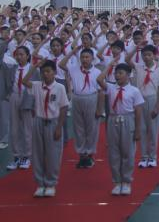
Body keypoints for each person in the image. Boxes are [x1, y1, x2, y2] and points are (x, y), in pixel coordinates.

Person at [21, 60, 69, 197]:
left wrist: (59, 127)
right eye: (43, 72)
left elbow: (64, 107)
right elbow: (24, 81)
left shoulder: (59, 87)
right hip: (39, 121)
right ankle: (40, 183)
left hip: (53, 122)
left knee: (53, 154)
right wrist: (34, 67)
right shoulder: (37, 85)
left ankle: (51, 183)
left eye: (48, 71)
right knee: (38, 154)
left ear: (54, 72)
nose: (45, 74)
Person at [96, 63, 143, 196]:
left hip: (128, 120)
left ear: (128, 75)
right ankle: (117, 181)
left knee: (128, 152)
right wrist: (109, 66)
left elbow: (138, 111)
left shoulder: (134, 91)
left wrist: (138, 129)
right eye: (116, 73)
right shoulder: (111, 88)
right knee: (114, 152)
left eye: (121, 73)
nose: (117, 76)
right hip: (113, 120)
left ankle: (126, 181)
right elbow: (99, 79)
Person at [59, 46, 101, 168]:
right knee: (78, 128)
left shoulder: (97, 72)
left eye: (87, 57)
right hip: (77, 98)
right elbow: (61, 64)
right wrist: (72, 52)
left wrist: (99, 108)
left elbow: (101, 91)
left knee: (91, 127)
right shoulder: (74, 69)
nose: (84, 59)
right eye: (82, 57)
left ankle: (90, 154)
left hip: (92, 98)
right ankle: (82, 154)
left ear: (92, 58)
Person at [127, 45, 159, 168]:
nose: (147, 57)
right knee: (141, 128)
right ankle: (144, 157)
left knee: (153, 129)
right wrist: (136, 48)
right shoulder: (139, 67)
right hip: (140, 99)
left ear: (154, 55)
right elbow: (127, 59)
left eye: (149, 55)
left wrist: (157, 107)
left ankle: (152, 157)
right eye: (144, 55)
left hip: (152, 99)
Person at [4, 46, 39, 170]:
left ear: (28, 56)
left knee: (27, 128)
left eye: (22, 54)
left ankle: (27, 156)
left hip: (28, 96)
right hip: (14, 96)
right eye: (17, 54)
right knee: (14, 128)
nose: (19, 57)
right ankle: (16, 156)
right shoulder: (12, 68)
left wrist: (35, 104)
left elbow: (37, 87)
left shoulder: (33, 69)